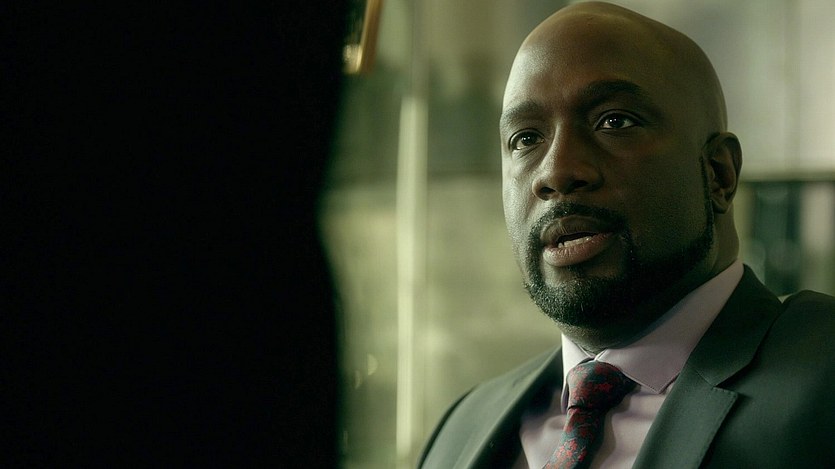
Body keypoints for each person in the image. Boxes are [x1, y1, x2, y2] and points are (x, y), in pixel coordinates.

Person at [418, 2, 835, 468]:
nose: (556, 171)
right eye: (526, 139)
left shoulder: (822, 373)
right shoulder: (459, 432)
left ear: (718, 174)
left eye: (614, 121)